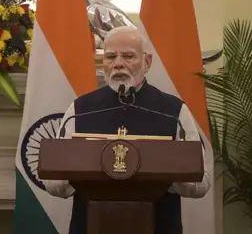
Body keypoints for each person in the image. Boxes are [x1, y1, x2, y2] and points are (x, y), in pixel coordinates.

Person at [44, 25, 211, 234]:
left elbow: (202, 183)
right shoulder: (80, 109)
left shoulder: (174, 111)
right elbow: (53, 184)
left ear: (147, 62)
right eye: (110, 56)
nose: (118, 64)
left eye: (128, 56)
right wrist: (83, 174)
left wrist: (160, 175)